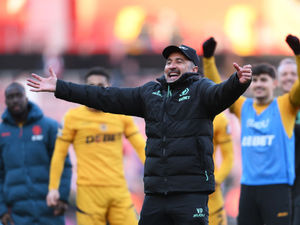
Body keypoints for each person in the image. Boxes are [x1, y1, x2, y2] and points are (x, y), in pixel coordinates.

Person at [27, 44, 252, 225]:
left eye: (179, 61)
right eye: (169, 61)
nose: (172, 66)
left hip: (190, 193)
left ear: (194, 69)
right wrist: (60, 87)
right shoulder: (150, 93)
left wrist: (237, 83)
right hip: (156, 195)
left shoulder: (201, 90)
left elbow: (220, 93)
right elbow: (104, 96)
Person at [201, 35, 300, 225]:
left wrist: (298, 55)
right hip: (248, 187)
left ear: (275, 83)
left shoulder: (286, 105)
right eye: (255, 80)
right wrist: (208, 59)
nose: (260, 84)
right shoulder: (243, 107)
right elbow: (218, 90)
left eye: (264, 79)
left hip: (277, 186)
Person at [46, 67, 146, 225]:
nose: (95, 92)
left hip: (118, 189)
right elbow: (59, 154)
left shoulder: (120, 115)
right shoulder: (73, 117)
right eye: (91, 86)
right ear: (84, 89)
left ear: (109, 88)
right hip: (88, 192)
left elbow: (141, 147)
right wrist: (53, 188)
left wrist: (159, 175)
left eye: (100, 86)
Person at [0, 82, 72, 225]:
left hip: (51, 210)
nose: (14, 100)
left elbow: (64, 164)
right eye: (10, 97)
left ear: (26, 98)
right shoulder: (1, 133)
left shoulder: (50, 127)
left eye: (18, 95)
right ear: (5, 101)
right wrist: (2, 210)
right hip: (17, 215)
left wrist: (62, 197)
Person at [202, 41, 235, 225]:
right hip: (183, 190)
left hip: (210, 191)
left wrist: (216, 180)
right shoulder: (180, 115)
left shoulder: (220, 120)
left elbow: (229, 157)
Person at [277, 49, 300, 225]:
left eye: (294, 73)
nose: (289, 77)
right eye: (284, 74)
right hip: (278, 182)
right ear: (277, 80)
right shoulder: (271, 108)